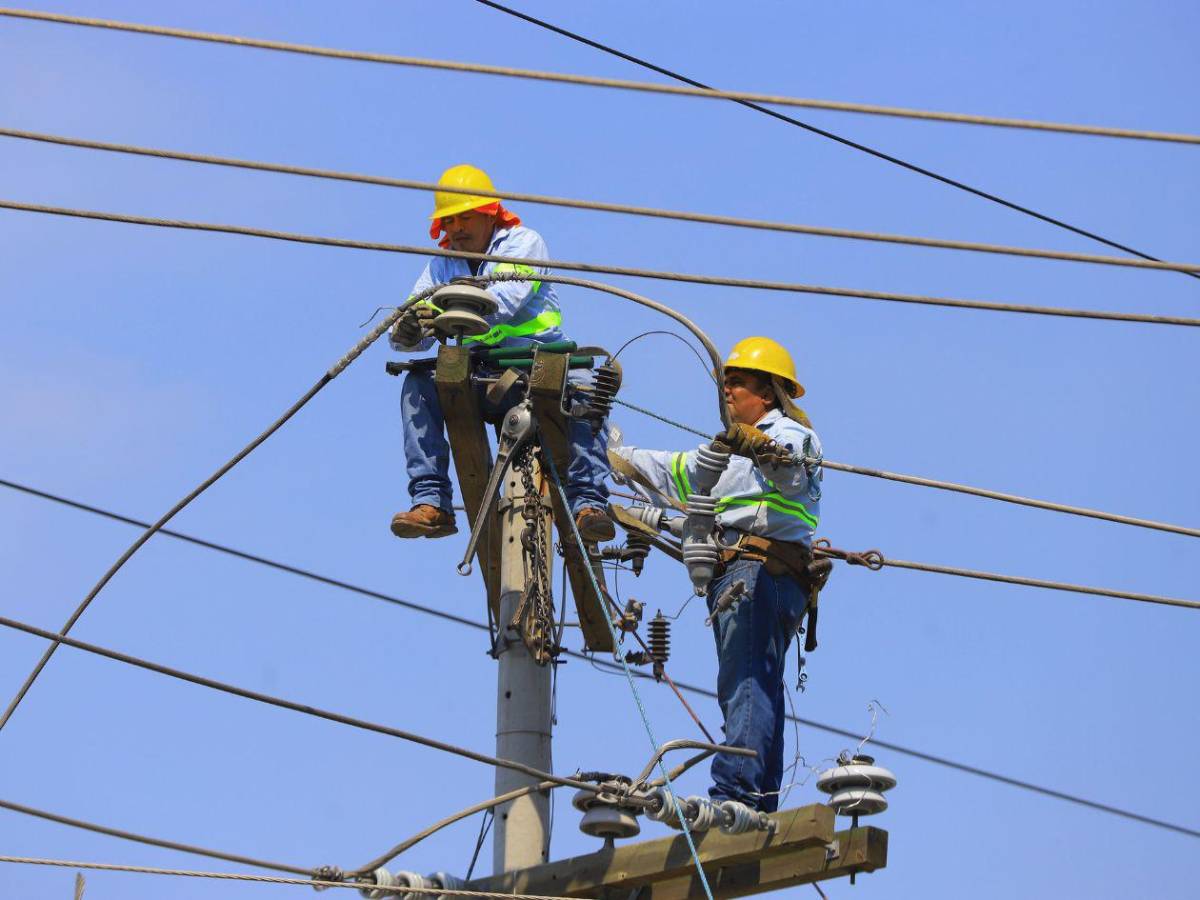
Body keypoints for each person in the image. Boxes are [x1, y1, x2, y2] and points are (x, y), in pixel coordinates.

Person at [612, 337, 822, 812]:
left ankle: (736, 793)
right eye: (725, 383)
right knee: (758, 683)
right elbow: (671, 472)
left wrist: (762, 446)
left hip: (760, 572)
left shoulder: (791, 434)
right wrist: (612, 453)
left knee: (746, 682)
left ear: (768, 393)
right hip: (741, 573)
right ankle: (759, 798)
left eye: (738, 383)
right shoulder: (724, 456)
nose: (727, 392)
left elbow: (789, 468)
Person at [389, 163, 614, 542]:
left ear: (490, 214)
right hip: (479, 375)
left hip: (538, 369)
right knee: (418, 384)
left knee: (586, 390)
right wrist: (409, 330)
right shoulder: (441, 265)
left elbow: (501, 302)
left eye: (466, 218)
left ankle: (589, 504)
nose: (456, 230)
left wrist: (439, 317)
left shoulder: (523, 243)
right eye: (450, 221)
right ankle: (431, 502)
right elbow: (406, 328)